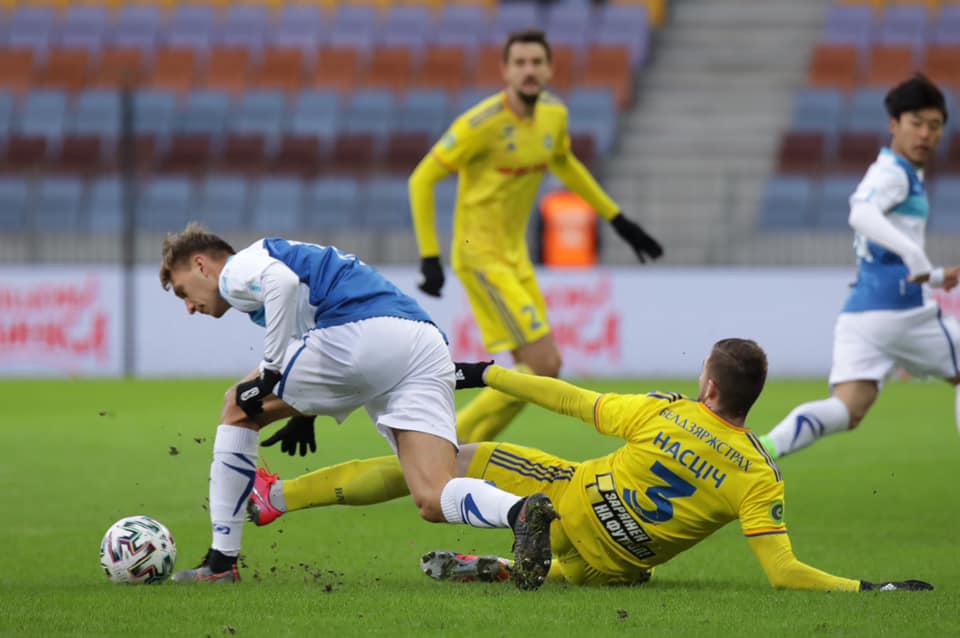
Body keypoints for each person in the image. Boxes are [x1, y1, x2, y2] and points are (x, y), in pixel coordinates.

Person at [248, 339, 932, 591]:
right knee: (609, 567)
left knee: (440, 464)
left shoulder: (665, 413)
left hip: (569, 501)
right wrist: (869, 588)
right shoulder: (759, 473)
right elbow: (784, 573)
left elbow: (569, 398)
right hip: (613, 568)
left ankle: (278, 496)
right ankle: (499, 567)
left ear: (709, 387)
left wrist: (487, 373)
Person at [158, 223, 557, 590]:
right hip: (422, 343)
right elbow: (305, 316)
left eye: (181, 291)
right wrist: (304, 412)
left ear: (201, 265)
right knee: (433, 495)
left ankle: (220, 562)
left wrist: (272, 371)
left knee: (236, 406)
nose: (188, 306)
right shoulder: (282, 257)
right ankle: (520, 513)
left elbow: (282, 284)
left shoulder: (236, 271)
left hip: (362, 334)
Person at [407, 28, 663, 445]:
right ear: (505, 70)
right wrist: (429, 257)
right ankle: (441, 441)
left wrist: (617, 220)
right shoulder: (480, 124)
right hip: (479, 255)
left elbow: (565, 164)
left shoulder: (554, 116)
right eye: (520, 63)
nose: (529, 70)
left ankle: (454, 450)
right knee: (544, 364)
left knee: (538, 370)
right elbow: (422, 179)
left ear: (549, 69)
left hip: (516, 256)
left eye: (536, 62)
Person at [760, 74, 960, 460]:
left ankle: (761, 449)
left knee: (846, 409)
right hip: (900, 309)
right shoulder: (894, 174)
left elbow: (884, 251)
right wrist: (916, 256)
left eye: (935, 126)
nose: (925, 134)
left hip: (862, 311)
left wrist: (935, 275)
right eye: (916, 123)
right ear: (894, 124)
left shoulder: (895, 172)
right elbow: (861, 214)